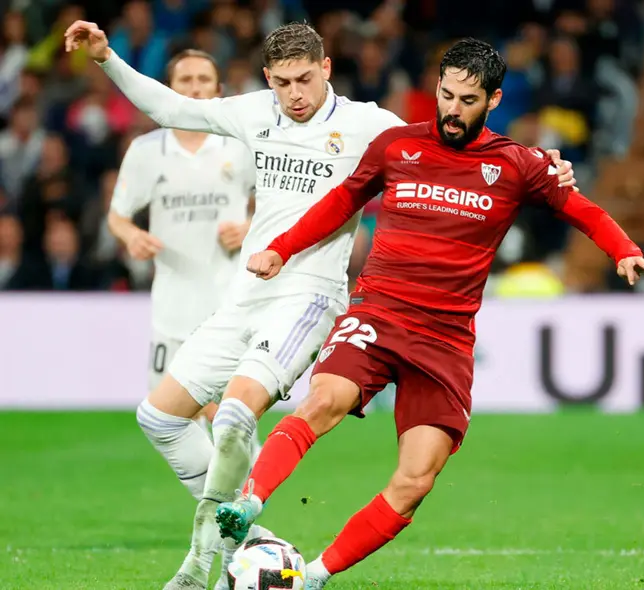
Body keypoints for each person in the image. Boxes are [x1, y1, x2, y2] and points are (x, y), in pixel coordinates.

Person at [65, 21, 577, 590]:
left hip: (309, 295)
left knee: (234, 414)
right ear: (268, 78)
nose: (295, 94)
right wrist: (106, 57)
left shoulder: (369, 124)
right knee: (158, 418)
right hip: (246, 292)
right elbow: (171, 109)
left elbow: (452, 138)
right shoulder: (255, 112)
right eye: (283, 83)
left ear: (326, 68)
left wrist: (541, 165)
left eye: (305, 79)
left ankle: (199, 562)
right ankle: (252, 540)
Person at [214, 38, 644, 589]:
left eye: (467, 100)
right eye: (446, 95)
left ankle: (310, 577)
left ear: (494, 99)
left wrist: (623, 249)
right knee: (324, 399)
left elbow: (582, 209)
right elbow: (341, 202)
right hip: (379, 313)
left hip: (445, 341)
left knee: (416, 480)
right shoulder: (396, 146)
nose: (452, 109)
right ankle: (250, 501)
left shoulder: (517, 164)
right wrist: (282, 248)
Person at [110, 48, 257, 449]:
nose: (194, 88)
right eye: (185, 80)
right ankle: (224, 486)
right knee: (167, 418)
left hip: (228, 304)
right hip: (171, 306)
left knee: (231, 415)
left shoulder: (240, 146)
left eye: (203, 80)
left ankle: (243, 483)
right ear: (168, 89)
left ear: (219, 89)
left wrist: (250, 227)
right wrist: (131, 236)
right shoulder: (146, 150)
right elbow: (117, 217)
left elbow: (277, 204)